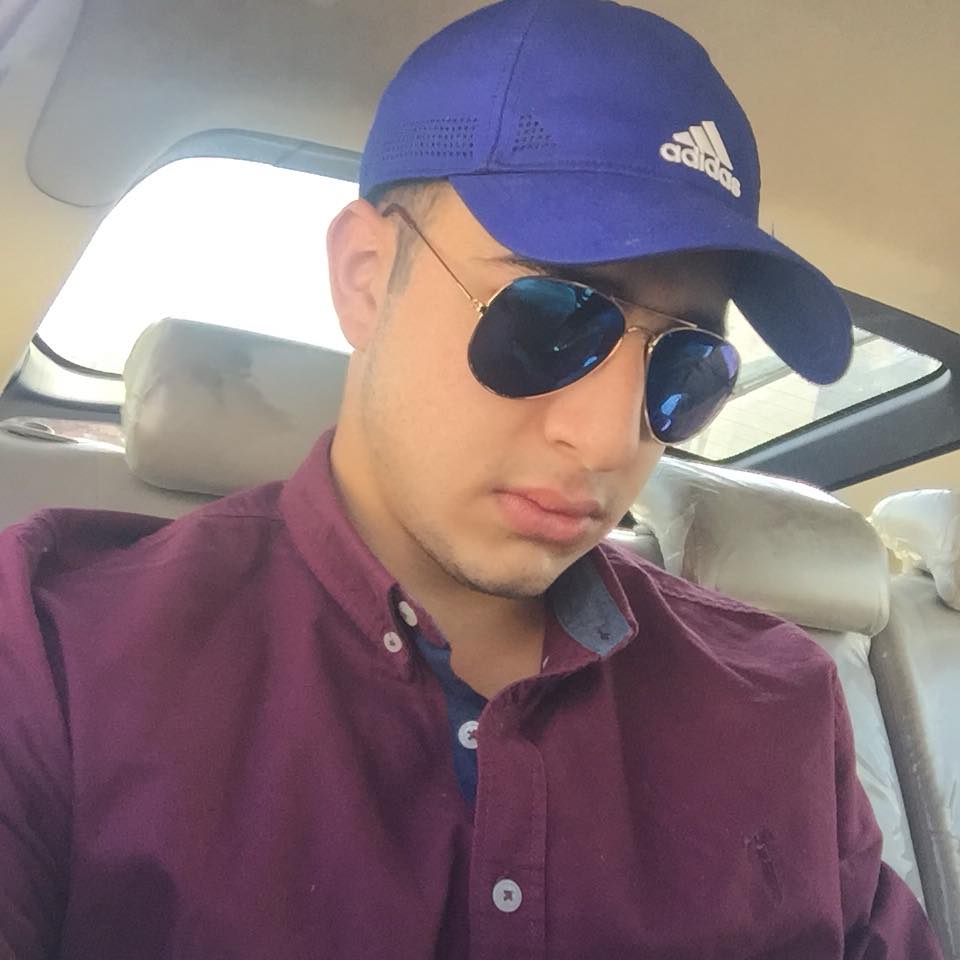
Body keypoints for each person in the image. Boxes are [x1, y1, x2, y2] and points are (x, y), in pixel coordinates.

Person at [0, 0, 944, 957]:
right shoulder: (56, 654)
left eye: (686, 368)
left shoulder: (779, 703)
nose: (607, 442)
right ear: (365, 275)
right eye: (550, 319)